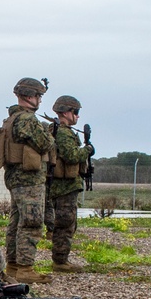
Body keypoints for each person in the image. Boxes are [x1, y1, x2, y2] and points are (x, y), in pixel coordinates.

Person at [0, 77, 54, 283]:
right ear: (29, 96)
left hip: (16, 177)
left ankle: (13, 265)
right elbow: (44, 143)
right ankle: (25, 267)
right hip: (28, 179)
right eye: (38, 96)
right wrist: (48, 133)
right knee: (31, 222)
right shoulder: (27, 120)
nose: (39, 100)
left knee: (17, 221)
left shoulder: (12, 118)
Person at [46, 96, 94, 272]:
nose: (77, 117)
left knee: (67, 223)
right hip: (65, 186)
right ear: (66, 112)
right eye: (76, 112)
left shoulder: (59, 130)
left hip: (65, 185)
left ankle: (61, 259)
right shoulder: (64, 133)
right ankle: (60, 261)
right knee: (65, 223)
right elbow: (71, 156)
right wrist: (87, 150)